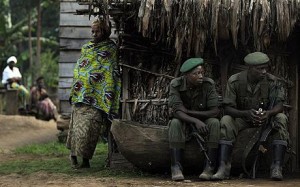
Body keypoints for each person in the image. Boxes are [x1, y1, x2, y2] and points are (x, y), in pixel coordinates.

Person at [212, 52, 290, 181]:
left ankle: (277, 167)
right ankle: (223, 167)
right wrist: (246, 113)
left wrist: (268, 114)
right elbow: (228, 108)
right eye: (260, 69)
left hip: (265, 119)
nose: (264, 71)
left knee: (281, 118)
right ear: (250, 68)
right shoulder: (235, 81)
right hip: (243, 118)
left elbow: (279, 105)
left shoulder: (271, 81)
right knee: (226, 120)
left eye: (266, 68)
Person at [66, 18, 121, 169]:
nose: (94, 34)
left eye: (97, 31)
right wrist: (78, 86)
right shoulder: (86, 48)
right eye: (92, 31)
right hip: (80, 96)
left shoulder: (111, 49)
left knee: (90, 130)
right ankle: (73, 157)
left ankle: (85, 161)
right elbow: (80, 68)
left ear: (105, 32)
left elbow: (111, 70)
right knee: (75, 128)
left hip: (97, 97)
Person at [168, 58, 220, 181]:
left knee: (215, 122)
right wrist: (194, 121)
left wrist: (191, 113)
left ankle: (209, 167)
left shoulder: (208, 85)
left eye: (202, 72)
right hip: (184, 120)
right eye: (196, 74)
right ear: (186, 75)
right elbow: (177, 111)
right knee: (174, 123)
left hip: (203, 119)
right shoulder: (176, 84)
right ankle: (176, 167)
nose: (200, 76)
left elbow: (215, 111)